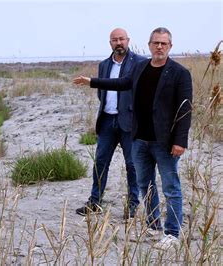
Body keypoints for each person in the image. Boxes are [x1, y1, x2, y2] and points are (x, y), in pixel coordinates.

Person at [73, 27, 192, 250]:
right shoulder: (140, 67)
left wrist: (180, 141)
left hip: (164, 141)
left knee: (171, 187)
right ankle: (153, 224)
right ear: (148, 45)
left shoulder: (179, 73)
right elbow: (121, 84)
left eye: (163, 44)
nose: (159, 47)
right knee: (145, 184)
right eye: (155, 43)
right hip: (139, 139)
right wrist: (92, 81)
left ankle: (172, 233)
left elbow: (185, 110)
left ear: (170, 46)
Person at [75, 28, 144, 220]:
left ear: (128, 40)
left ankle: (133, 204)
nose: (118, 42)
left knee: (132, 164)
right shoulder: (104, 65)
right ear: (110, 43)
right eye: (115, 40)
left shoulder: (139, 62)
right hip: (106, 120)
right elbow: (101, 91)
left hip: (129, 122)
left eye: (121, 39)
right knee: (100, 162)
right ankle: (94, 202)